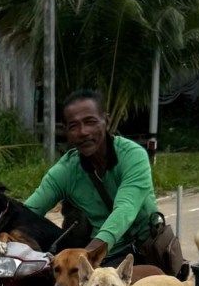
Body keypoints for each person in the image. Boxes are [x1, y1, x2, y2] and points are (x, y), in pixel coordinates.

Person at [25, 89, 182, 271]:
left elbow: (124, 209)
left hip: (143, 251)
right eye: (74, 126)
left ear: (106, 121)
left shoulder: (133, 156)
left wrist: (88, 254)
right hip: (104, 257)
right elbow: (29, 211)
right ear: (66, 130)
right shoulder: (65, 170)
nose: (83, 132)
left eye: (90, 122)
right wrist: (0, 233)